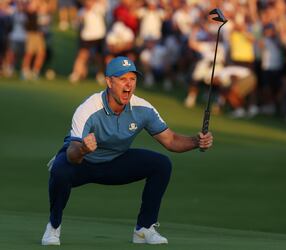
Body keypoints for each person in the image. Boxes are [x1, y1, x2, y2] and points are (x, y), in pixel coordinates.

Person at [41, 56, 213, 246]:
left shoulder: (143, 108)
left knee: (161, 164)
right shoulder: (89, 108)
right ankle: (53, 227)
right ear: (109, 81)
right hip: (83, 162)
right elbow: (72, 154)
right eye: (122, 79)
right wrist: (83, 148)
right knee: (60, 169)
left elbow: (171, 140)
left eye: (132, 79)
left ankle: (144, 230)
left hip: (116, 162)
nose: (128, 85)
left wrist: (196, 141)